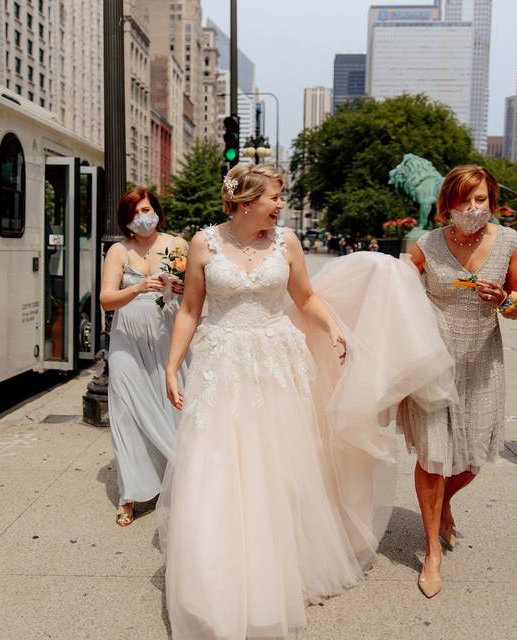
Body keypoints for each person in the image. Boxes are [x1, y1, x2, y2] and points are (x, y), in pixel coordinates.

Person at [158, 164, 455, 638]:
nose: (280, 205)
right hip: (223, 363)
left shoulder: (287, 243)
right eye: (274, 197)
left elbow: (306, 297)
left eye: (280, 198)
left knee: (279, 466)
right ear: (245, 200)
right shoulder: (203, 243)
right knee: (216, 464)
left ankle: (280, 567)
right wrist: (173, 366)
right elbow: (191, 309)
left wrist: (334, 326)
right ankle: (214, 578)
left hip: (277, 361)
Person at [402, 165, 517, 598]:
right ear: (448, 204)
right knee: (434, 455)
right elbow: (397, 285)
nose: (473, 209)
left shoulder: (509, 241)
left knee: (472, 457)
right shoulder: (427, 244)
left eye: (481, 200)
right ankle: (431, 547)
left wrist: (504, 302)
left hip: (481, 360)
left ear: (492, 200)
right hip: (434, 357)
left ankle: (444, 504)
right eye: (464, 200)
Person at [98, 188, 187, 527]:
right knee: (127, 413)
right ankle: (130, 493)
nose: (142, 217)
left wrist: (180, 286)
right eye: (135, 212)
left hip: (167, 337)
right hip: (127, 341)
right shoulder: (118, 251)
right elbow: (107, 300)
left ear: (158, 212)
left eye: (147, 209)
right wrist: (138, 287)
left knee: (171, 406)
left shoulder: (177, 244)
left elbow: (196, 289)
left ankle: (178, 479)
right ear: (126, 219)